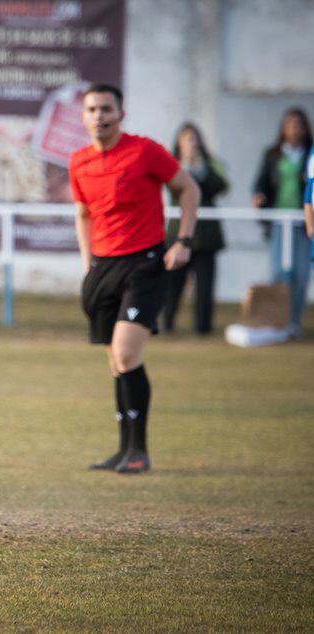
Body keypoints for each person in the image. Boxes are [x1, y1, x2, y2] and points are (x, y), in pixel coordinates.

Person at [69, 84, 200, 474]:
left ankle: (139, 451)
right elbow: (84, 214)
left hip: (145, 263)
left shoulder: (145, 150)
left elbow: (188, 189)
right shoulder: (79, 161)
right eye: (92, 109)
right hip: (103, 267)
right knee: (116, 362)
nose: (99, 116)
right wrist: (88, 264)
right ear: (84, 116)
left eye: (106, 109)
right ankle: (125, 450)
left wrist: (184, 240)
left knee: (126, 354)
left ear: (120, 114)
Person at [162, 122, 229, 334]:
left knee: (204, 286)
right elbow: (171, 188)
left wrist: (201, 169)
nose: (192, 144)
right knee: (173, 284)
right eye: (187, 139)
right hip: (177, 234)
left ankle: (203, 327)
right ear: (179, 143)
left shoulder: (211, 165)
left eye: (194, 139)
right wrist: (186, 170)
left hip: (206, 236)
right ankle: (167, 324)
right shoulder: (170, 164)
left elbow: (222, 186)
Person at [252, 107, 313, 336]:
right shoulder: (273, 155)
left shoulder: (310, 155)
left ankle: (294, 323)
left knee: (300, 274)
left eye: (299, 126)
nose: (295, 130)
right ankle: (277, 323)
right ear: (284, 129)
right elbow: (261, 184)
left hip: (304, 222)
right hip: (279, 222)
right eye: (291, 125)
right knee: (279, 273)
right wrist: (259, 197)